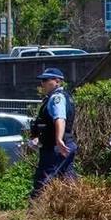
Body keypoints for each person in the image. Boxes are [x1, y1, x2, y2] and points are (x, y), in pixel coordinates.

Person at [28, 67, 77, 199]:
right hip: (64, 144)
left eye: (45, 80)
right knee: (68, 180)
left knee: (44, 180)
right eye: (42, 81)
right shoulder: (63, 97)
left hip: (56, 148)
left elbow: (60, 119)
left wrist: (59, 140)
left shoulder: (57, 98)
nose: (42, 84)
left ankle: (34, 214)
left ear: (57, 81)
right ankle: (75, 210)